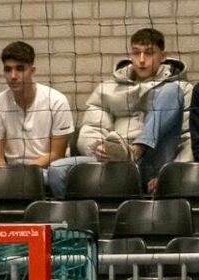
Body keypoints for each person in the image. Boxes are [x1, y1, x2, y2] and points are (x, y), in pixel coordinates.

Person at [48, 28, 188, 197]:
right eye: (136, 53)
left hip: (155, 162)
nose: (141, 60)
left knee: (172, 91)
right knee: (57, 169)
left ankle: (136, 150)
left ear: (163, 56)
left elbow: (188, 138)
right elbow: (91, 128)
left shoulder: (182, 88)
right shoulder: (107, 89)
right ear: (130, 55)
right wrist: (98, 149)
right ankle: (81, 213)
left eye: (149, 53)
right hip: (115, 161)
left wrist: (172, 172)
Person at [0, 41, 74, 198]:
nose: (13, 76)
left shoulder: (57, 101)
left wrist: (25, 172)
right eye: (8, 69)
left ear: (32, 70)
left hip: (47, 171)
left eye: (20, 69)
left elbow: (56, 154)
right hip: (11, 172)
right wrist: (7, 177)